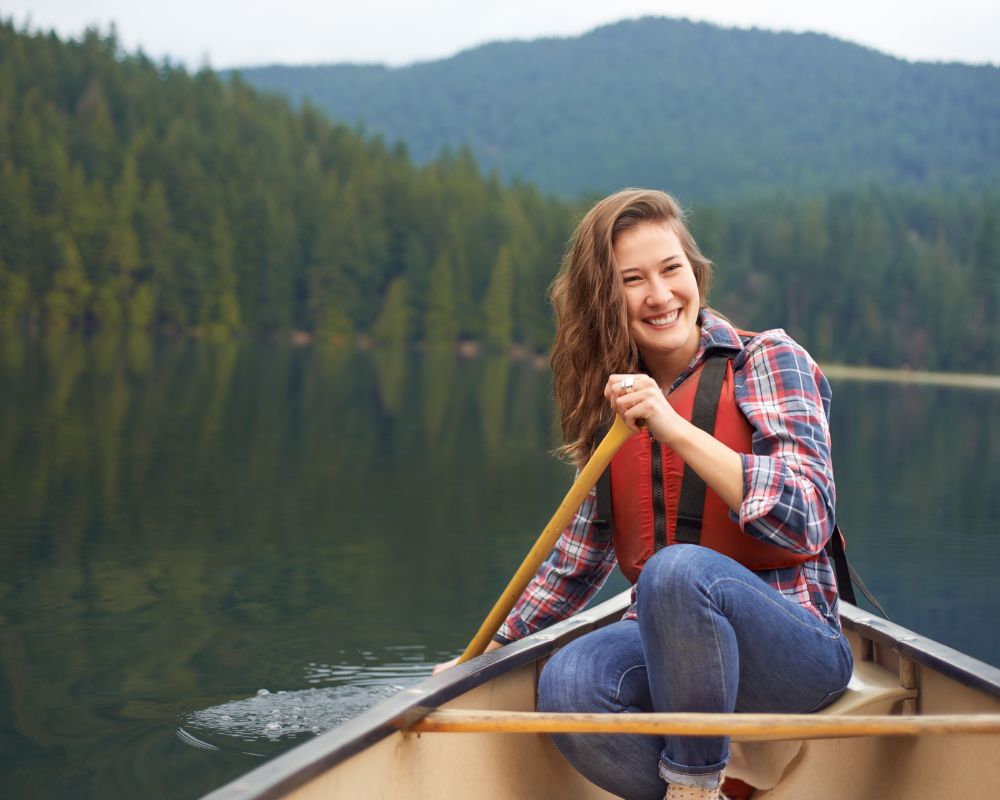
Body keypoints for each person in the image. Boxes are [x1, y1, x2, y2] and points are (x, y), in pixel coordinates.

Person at [438, 188, 853, 800]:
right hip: (671, 652)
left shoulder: (770, 359)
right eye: (633, 280)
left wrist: (675, 428)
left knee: (675, 572)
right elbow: (574, 563)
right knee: (569, 683)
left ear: (696, 274)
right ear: (606, 299)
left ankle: (691, 785)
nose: (659, 295)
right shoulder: (615, 401)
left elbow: (806, 519)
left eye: (671, 270)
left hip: (795, 654)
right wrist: (487, 651)